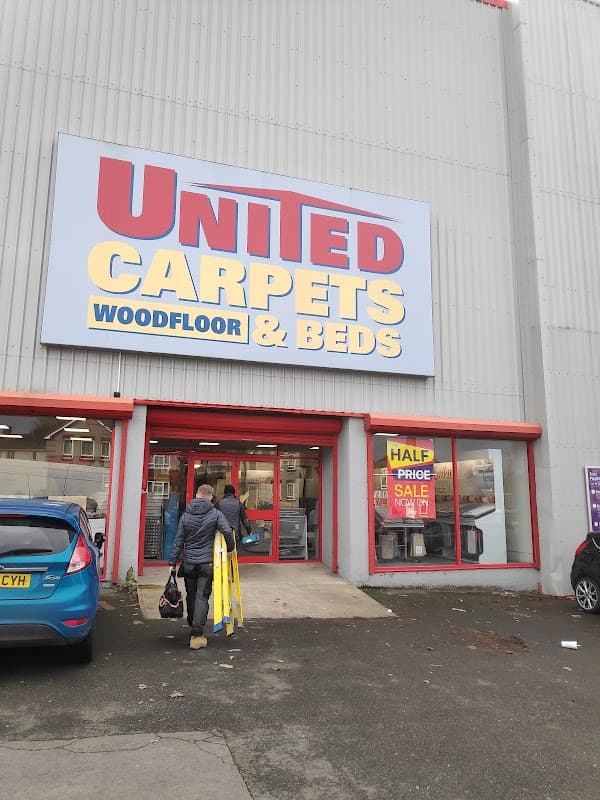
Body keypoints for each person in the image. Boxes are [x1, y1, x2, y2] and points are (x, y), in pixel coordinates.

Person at [168, 484, 234, 650]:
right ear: (211, 496)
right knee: (202, 597)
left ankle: (192, 622)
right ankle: (197, 631)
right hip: (207, 564)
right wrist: (231, 548)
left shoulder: (186, 515)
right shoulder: (216, 514)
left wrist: (172, 563)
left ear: (197, 495)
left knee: (191, 594)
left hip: (189, 563)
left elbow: (178, 540)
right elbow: (227, 531)